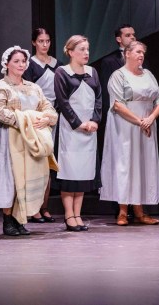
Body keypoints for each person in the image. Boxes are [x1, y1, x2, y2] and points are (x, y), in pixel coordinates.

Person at [0, 46, 58, 236]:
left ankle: (20, 219)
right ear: (7, 64)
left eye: (23, 61)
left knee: (26, 178)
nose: (21, 65)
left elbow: (49, 110)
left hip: (31, 139)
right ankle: (8, 220)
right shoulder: (1, 85)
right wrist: (26, 120)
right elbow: (0, 111)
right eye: (16, 61)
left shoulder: (33, 87)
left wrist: (45, 119)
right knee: (12, 177)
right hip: (11, 137)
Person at [99, 41, 159, 225]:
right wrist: (140, 121)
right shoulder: (118, 75)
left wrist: (150, 118)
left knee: (142, 165)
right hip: (125, 126)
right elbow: (118, 105)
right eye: (137, 51)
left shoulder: (148, 74)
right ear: (127, 54)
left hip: (146, 123)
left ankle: (140, 211)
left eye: (143, 52)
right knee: (125, 164)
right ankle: (122, 212)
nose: (141, 55)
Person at [54, 35, 102, 232]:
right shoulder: (62, 72)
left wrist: (94, 120)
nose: (86, 53)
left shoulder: (92, 72)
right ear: (71, 52)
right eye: (81, 49)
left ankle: (78, 214)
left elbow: (98, 98)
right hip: (70, 130)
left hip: (89, 130)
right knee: (70, 173)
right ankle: (69, 215)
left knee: (83, 173)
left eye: (87, 49)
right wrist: (78, 123)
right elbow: (63, 102)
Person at [22, 28, 62, 223]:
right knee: (35, 163)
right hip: (36, 117)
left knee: (48, 163)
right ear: (34, 43)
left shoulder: (57, 64)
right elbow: (28, 92)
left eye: (47, 41)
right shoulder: (30, 64)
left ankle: (44, 206)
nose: (44, 44)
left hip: (52, 115)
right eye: (40, 41)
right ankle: (33, 208)